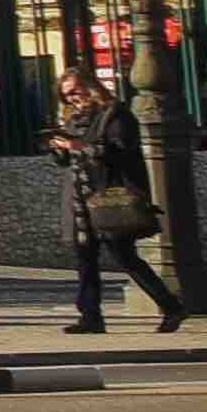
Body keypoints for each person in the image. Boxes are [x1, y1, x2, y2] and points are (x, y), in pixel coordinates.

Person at [51, 27, 188, 335]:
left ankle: (171, 306)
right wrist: (58, 149)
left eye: (76, 91)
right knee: (84, 260)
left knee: (125, 257)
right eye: (67, 95)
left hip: (108, 195)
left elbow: (121, 149)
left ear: (90, 85)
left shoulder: (114, 113)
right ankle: (91, 316)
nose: (73, 98)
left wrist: (81, 147)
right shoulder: (73, 119)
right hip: (78, 198)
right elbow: (66, 161)